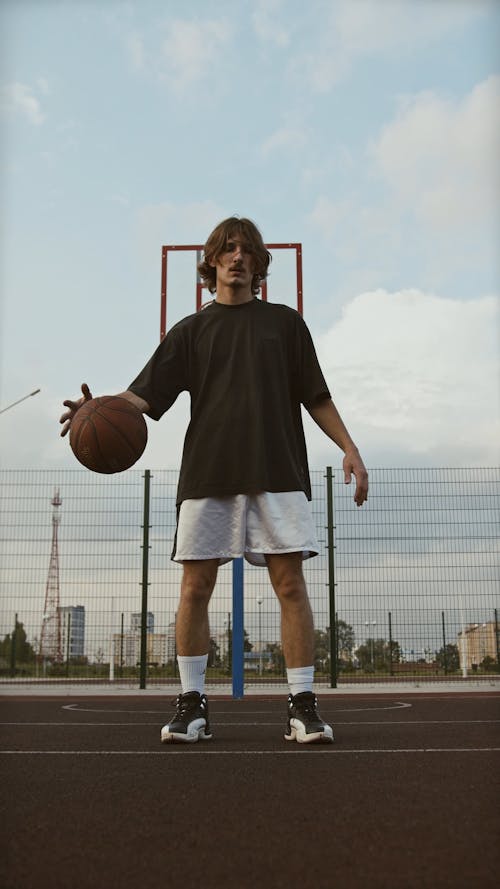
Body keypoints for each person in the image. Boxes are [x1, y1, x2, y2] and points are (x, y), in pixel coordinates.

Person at [60, 216, 368, 745]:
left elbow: (316, 395)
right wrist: (98, 408)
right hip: (208, 474)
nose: (238, 257)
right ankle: (192, 703)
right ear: (211, 262)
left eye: (247, 250)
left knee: (290, 584)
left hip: (278, 469)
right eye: (228, 249)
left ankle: (302, 706)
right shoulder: (190, 331)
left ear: (259, 265)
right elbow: (141, 399)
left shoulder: (286, 324)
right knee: (195, 587)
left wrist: (350, 447)